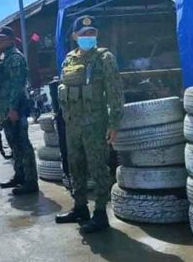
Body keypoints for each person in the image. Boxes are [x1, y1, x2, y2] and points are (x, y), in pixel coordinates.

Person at [55, 15, 124, 233]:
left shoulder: (104, 58)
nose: (89, 36)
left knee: (97, 167)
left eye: (92, 33)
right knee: (76, 166)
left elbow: (115, 92)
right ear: (75, 36)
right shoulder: (69, 59)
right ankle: (80, 207)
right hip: (72, 123)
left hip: (95, 122)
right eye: (84, 33)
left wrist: (114, 122)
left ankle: (101, 213)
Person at [0, 26, 38, 195]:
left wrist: (13, 108)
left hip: (15, 109)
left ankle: (31, 182)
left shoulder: (15, 58)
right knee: (14, 145)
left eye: (2, 38)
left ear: (11, 39)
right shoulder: (3, 58)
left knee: (23, 144)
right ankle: (19, 175)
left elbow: (17, 86)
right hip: (5, 109)